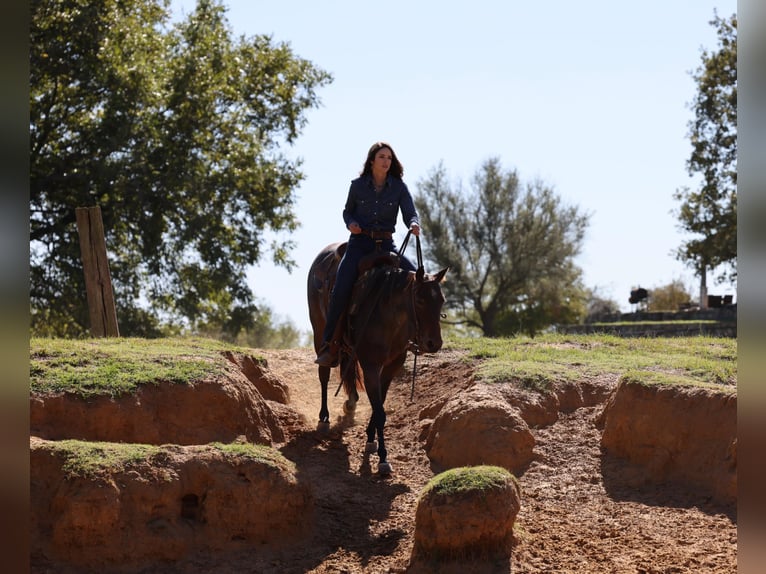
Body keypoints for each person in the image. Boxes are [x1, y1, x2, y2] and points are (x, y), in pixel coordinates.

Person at [315, 141, 421, 367]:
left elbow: (410, 212)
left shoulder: (399, 188)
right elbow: (347, 211)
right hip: (359, 245)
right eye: (382, 157)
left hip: (386, 245)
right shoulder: (357, 186)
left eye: (389, 158)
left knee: (418, 280)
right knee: (341, 287)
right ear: (372, 161)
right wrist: (351, 223)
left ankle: (415, 337)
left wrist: (414, 224)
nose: (386, 161)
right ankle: (329, 344)